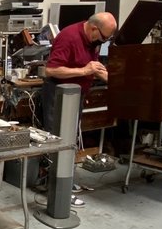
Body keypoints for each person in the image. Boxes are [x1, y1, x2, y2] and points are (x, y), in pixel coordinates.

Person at [40, 12, 118, 206]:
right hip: (59, 96)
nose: (103, 42)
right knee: (58, 140)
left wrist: (113, 80)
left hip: (77, 95)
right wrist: (84, 71)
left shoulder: (92, 40)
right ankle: (55, 190)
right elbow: (51, 70)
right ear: (93, 28)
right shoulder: (68, 37)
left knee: (71, 139)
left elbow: (93, 67)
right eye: (104, 37)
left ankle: (65, 182)